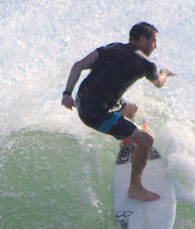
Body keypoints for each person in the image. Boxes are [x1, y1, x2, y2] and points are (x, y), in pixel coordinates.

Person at [61, 22, 175, 202]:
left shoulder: (111, 48)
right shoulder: (146, 63)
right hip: (96, 114)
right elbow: (158, 84)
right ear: (143, 39)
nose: (156, 45)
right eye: (154, 41)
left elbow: (78, 65)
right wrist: (164, 73)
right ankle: (135, 187)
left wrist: (67, 93)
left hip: (82, 101)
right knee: (147, 140)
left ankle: (127, 143)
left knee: (131, 108)